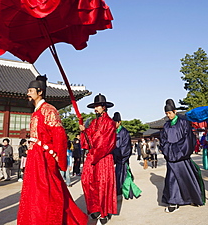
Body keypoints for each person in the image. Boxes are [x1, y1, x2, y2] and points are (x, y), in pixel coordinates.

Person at [17, 75, 87, 225]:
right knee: (34, 191)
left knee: (47, 192)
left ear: (40, 91)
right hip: (34, 157)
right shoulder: (36, 111)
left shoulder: (49, 110)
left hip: (44, 157)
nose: (28, 94)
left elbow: (59, 135)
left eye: (30, 91)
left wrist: (59, 158)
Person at [159, 99, 205, 213]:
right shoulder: (166, 126)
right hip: (171, 156)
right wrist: (169, 150)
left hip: (181, 156)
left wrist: (176, 150)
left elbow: (187, 139)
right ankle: (173, 202)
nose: (168, 116)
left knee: (186, 177)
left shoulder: (184, 122)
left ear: (175, 111)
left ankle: (193, 198)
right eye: (166, 114)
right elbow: (163, 140)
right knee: (171, 178)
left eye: (169, 113)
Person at [79, 93, 117, 225]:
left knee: (103, 184)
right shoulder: (93, 122)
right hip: (92, 157)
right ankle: (94, 209)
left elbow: (105, 142)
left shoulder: (110, 123)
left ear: (104, 107)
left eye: (98, 106)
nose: (95, 109)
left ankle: (104, 213)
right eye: (94, 106)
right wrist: (84, 131)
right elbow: (88, 139)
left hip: (103, 158)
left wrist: (93, 149)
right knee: (87, 180)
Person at [112, 112, 142, 199]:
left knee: (124, 175)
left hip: (123, 158)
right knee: (118, 175)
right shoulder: (113, 132)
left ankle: (129, 192)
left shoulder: (124, 132)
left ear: (119, 122)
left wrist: (119, 154)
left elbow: (126, 147)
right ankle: (120, 191)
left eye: (115, 123)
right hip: (116, 157)